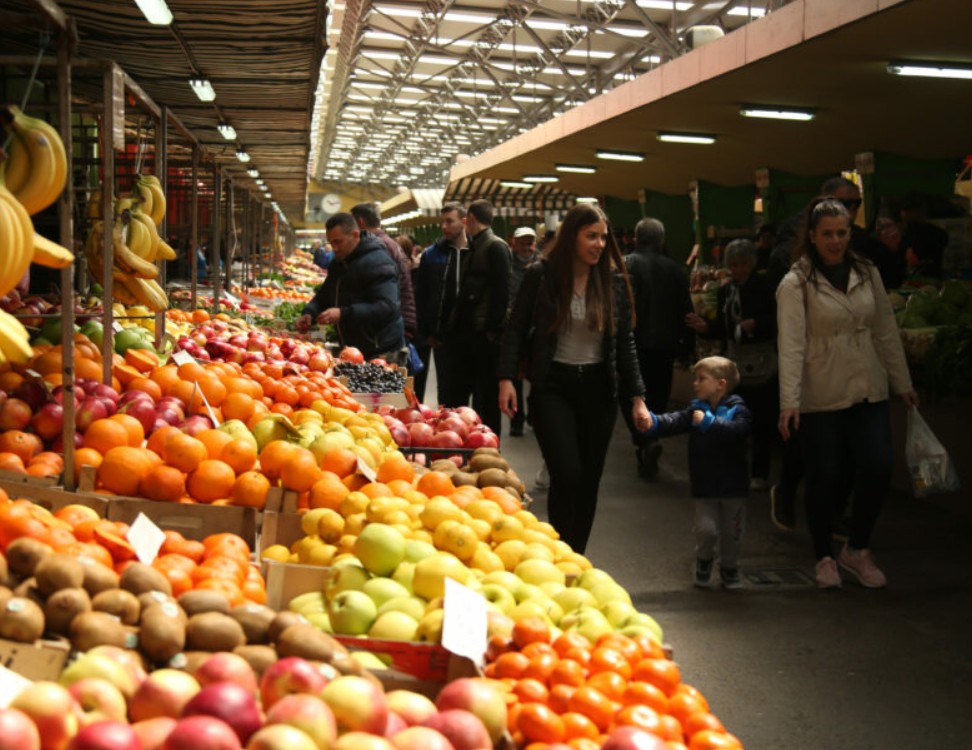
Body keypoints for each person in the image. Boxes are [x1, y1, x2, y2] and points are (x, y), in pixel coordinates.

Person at [777, 197, 919, 589]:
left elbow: (885, 330)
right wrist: (789, 402)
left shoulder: (866, 271)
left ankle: (856, 548)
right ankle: (824, 555)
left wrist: (902, 382)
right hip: (820, 393)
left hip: (867, 387)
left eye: (842, 233)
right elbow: (790, 345)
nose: (836, 241)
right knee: (824, 474)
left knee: (877, 465)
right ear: (812, 236)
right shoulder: (796, 283)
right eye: (827, 234)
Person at [498, 202, 649, 555]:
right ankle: (560, 549)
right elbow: (516, 328)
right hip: (553, 387)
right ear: (572, 237)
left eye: (603, 238)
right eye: (590, 236)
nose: (598, 244)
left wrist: (637, 397)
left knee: (589, 480)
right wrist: (507, 378)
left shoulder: (611, 281)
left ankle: (574, 556)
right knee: (566, 473)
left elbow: (624, 342)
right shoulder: (543, 274)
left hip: (599, 391)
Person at [643, 356, 752, 589]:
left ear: (720, 384)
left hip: (734, 486)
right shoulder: (696, 409)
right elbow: (675, 421)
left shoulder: (738, 410)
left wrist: (709, 423)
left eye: (701, 379)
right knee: (706, 529)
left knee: (733, 532)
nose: (695, 384)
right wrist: (653, 422)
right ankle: (704, 560)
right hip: (705, 483)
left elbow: (738, 431)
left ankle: (729, 567)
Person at [686, 239, 776, 491]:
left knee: (761, 422)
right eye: (734, 265)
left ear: (752, 263)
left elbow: (775, 322)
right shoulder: (726, 291)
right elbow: (724, 329)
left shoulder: (765, 287)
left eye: (743, 264)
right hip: (734, 364)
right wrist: (705, 328)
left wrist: (756, 324)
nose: (739, 270)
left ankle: (760, 471)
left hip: (761, 364)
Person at [622, 217, 694, 478]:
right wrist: (688, 346)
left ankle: (643, 441)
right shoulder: (675, 269)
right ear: (662, 241)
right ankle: (650, 438)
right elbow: (687, 310)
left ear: (635, 238)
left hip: (633, 345)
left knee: (631, 396)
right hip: (665, 345)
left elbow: (620, 308)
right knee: (658, 397)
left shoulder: (626, 264)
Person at [439, 199, 511, 434]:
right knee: (463, 394)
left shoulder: (494, 247)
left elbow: (502, 294)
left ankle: (487, 447)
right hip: (470, 336)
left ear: (469, 219)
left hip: (483, 338)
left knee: (486, 400)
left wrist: (491, 330)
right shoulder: (480, 244)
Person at [295, 213, 404, 360]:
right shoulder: (339, 263)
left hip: (380, 351)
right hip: (353, 349)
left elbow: (387, 307)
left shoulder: (378, 262)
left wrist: (343, 313)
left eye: (338, 242)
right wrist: (310, 313)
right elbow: (325, 295)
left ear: (355, 235)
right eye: (331, 243)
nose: (334, 248)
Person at [415, 203, 468, 405]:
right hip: (441, 334)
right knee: (445, 386)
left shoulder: (475, 251)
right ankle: (446, 425)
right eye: (442, 222)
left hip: (469, 333)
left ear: (463, 222)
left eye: (449, 221)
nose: (444, 227)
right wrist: (427, 332)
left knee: (464, 386)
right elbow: (422, 295)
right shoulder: (432, 254)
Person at [350, 203, 418, 342]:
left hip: (387, 330)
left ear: (360, 222)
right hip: (397, 322)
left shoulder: (378, 246)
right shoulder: (390, 243)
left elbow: (384, 296)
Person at [507, 226, 541, 436]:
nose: (526, 247)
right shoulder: (507, 264)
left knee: (537, 376)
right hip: (514, 327)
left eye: (530, 242)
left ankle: (535, 415)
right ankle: (516, 420)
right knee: (516, 376)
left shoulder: (542, 265)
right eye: (522, 242)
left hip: (537, 328)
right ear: (513, 243)